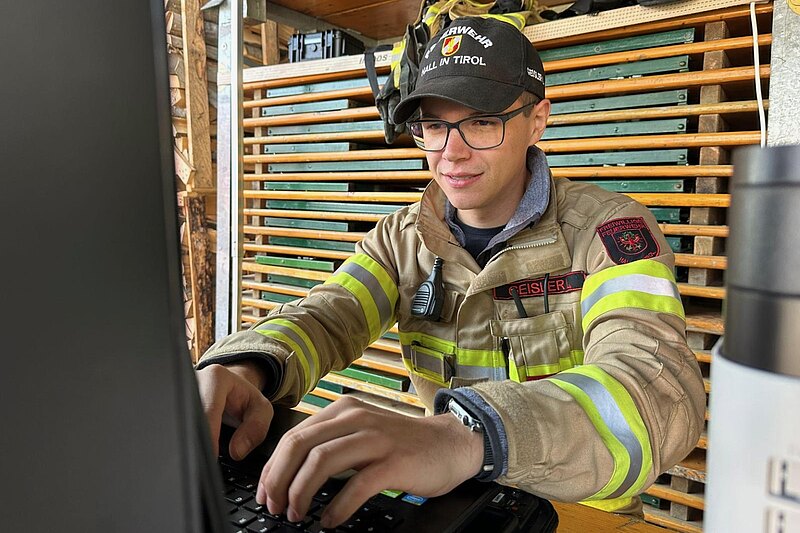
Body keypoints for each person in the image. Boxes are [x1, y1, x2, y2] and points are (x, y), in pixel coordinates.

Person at [196, 16, 706, 529]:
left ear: (537, 121)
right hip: (452, 510)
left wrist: (469, 434)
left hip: (580, 515)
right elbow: (326, 317)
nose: (450, 151)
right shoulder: (401, 240)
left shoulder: (608, 232)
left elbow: (656, 394)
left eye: (481, 122)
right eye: (434, 126)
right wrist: (248, 368)